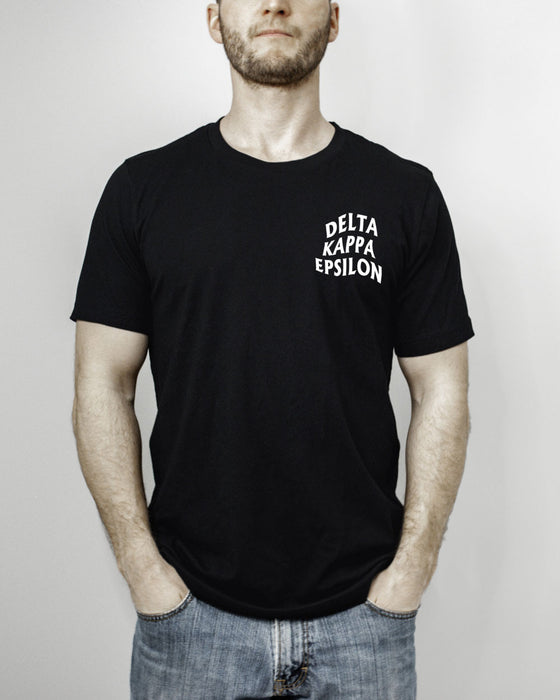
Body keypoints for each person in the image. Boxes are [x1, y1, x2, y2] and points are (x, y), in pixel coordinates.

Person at [70, 1, 474, 698]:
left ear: (335, 19)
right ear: (213, 18)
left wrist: (411, 572)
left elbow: (442, 388)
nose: (275, 2)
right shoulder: (143, 190)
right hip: (191, 622)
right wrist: (143, 571)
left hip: (363, 623)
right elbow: (101, 384)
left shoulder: (402, 193)